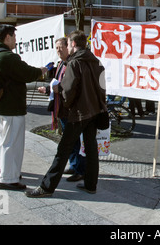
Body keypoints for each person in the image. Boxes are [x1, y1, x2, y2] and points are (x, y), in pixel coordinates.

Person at [26, 30, 106, 198]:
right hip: (94, 112)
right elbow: (102, 88)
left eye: (68, 44)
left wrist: (57, 93)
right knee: (91, 149)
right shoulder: (97, 62)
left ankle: (47, 187)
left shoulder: (74, 63)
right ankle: (91, 185)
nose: (67, 47)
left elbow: (67, 91)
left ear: (73, 44)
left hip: (78, 113)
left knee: (63, 150)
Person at [0, 24, 48, 191]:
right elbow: (27, 73)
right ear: (7, 37)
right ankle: (8, 179)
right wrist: (41, 70)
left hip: (1, 106)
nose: (16, 40)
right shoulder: (7, 57)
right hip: (11, 107)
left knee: (5, 142)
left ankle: (10, 173)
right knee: (12, 144)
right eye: (14, 37)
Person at [37, 37, 86, 182]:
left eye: (61, 47)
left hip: (70, 109)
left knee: (74, 141)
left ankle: (80, 170)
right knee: (68, 140)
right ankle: (74, 165)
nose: (58, 50)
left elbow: (67, 87)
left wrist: (50, 89)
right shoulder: (60, 64)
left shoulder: (71, 64)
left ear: (68, 47)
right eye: (56, 48)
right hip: (62, 109)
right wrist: (48, 90)